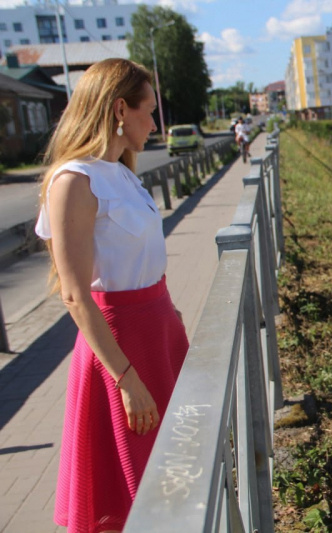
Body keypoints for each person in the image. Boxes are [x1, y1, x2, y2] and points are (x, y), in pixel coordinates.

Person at [34, 58, 189, 532]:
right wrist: (126, 380)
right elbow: (76, 296)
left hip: (158, 336)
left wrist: (174, 319)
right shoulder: (74, 180)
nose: (155, 122)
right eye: (150, 110)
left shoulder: (123, 175)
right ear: (120, 109)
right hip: (119, 351)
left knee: (177, 482)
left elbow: (144, 266)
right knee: (132, 497)